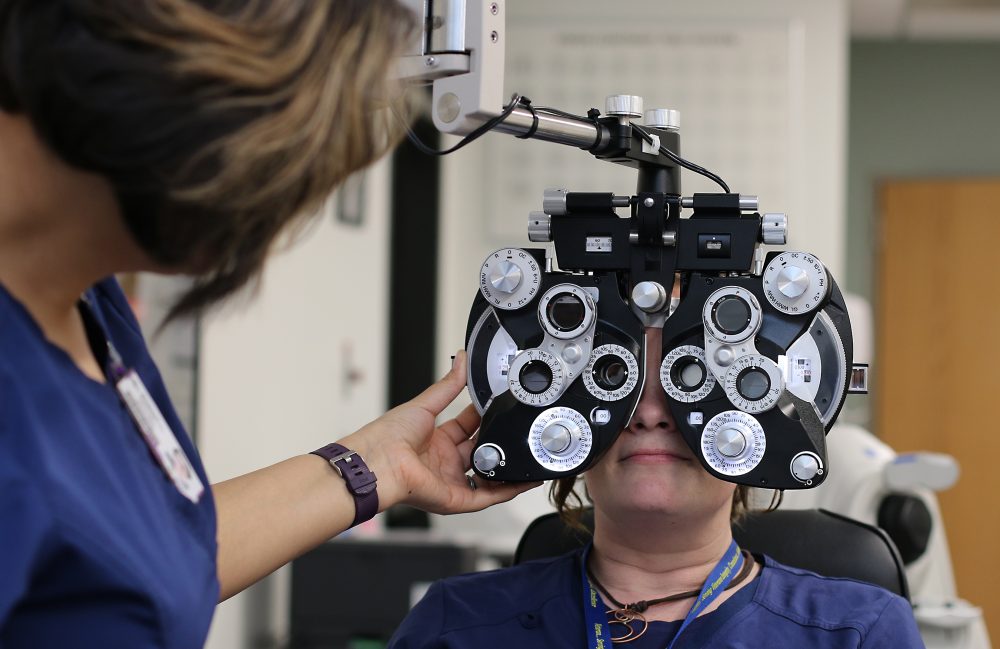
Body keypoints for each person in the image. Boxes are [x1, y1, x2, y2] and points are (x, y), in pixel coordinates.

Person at [0, 1, 537, 646]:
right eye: (283, 151)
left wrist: (377, 465)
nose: (279, 210)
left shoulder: (88, 304)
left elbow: (145, 562)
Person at [389, 325, 926, 648]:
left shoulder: (858, 632)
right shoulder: (456, 625)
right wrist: (378, 474)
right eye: (617, 381)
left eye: (689, 382)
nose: (649, 414)